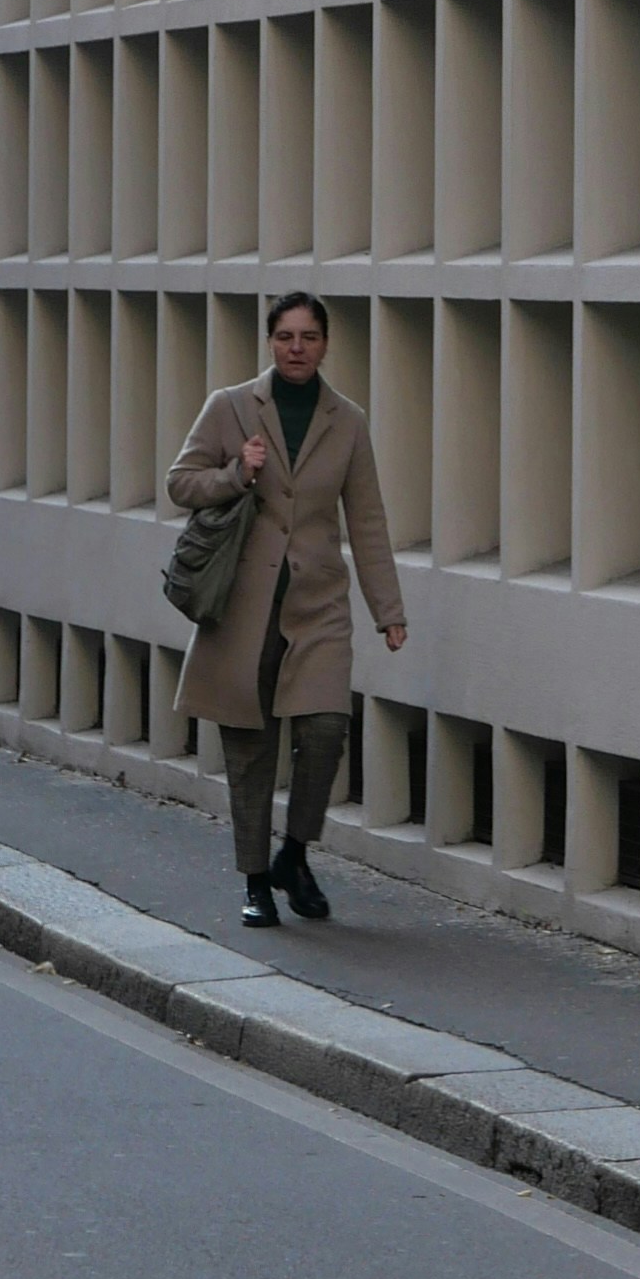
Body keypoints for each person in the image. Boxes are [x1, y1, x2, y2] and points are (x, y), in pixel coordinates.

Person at [166, 294, 407, 928]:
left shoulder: (347, 420)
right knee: (250, 750)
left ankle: (294, 854)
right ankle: (255, 882)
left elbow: (369, 519)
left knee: (326, 731)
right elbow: (179, 482)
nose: (296, 347)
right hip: (244, 609)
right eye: (284, 336)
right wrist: (234, 474)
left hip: (318, 603)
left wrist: (389, 609)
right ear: (270, 342)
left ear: (326, 344)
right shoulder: (232, 406)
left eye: (308, 336)